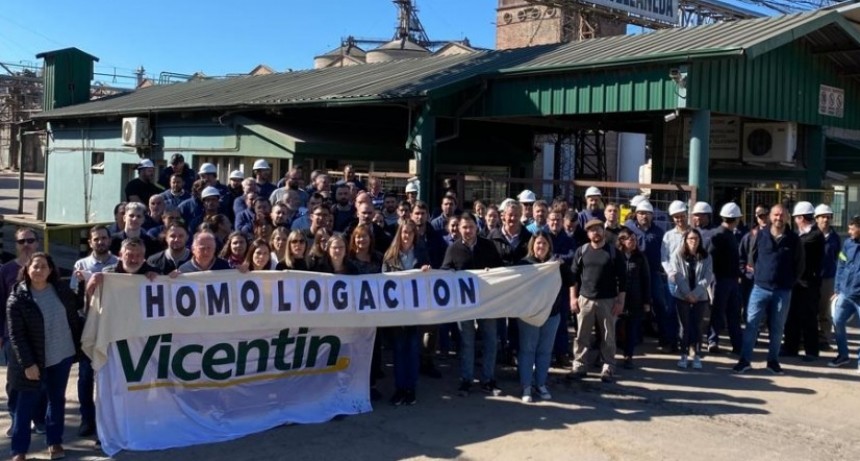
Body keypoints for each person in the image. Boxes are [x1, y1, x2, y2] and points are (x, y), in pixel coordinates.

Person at [6, 253, 83, 461]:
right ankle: (19, 451)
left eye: (43, 267)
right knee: (25, 405)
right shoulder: (17, 298)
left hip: (62, 355)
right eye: (35, 266)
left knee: (56, 400)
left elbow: (78, 305)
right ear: (27, 270)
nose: (39, 270)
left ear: (50, 270)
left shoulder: (61, 290)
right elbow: (16, 336)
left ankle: (54, 442)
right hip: (33, 361)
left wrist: (86, 284)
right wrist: (28, 364)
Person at [442, 212, 505, 396]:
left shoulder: (488, 245)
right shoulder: (453, 249)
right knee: (467, 342)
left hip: (487, 303)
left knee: (490, 340)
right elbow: (445, 272)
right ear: (458, 229)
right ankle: (466, 379)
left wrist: (490, 272)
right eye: (464, 227)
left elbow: (500, 270)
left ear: (477, 227)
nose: (468, 231)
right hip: (465, 305)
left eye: (471, 227)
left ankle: (488, 379)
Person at [734, 204, 802, 375]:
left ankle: (772, 361)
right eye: (776, 215)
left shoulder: (794, 239)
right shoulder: (759, 234)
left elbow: (800, 264)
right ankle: (744, 361)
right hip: (760, 288)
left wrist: (790, 282)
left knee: (778, 327)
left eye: (782, 215)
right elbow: (751, 257)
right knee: (751, 324)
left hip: (783, 291)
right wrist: (752, 275)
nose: (779, 218)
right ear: (770, 217)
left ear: (787, 217)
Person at [70, 225, 117, 439]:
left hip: (113, 327)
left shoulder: (119, 263)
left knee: (110, 376)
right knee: (86, 377)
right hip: (88, 326)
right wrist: (82, 285)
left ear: (109, 240)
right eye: (96, 239)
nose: (100, 242)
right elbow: (74, 296)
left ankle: (107, 420)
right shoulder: (81, 265)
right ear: (90, 242)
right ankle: (87, 419)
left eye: (104, 238)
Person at [517, 231, 573, 403]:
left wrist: (561, 265)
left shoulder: (556, 264)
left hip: (552, 314)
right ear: (532, 245)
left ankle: (540, 384)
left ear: (549, 246)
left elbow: (570, 281)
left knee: (545, 351)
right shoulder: (523, 264)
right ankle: (526, 385)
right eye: (538, 243)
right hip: (529, 315)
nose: (540, 246)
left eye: (544, 243)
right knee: (527, 350)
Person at [568, 219, 627, 383]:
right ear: (588, 233)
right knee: (581, 335)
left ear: (604, 231)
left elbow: (623, 279)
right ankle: (579, 365)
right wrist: (573, 298)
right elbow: (573, 277)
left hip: (608, 300)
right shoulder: (582, 251)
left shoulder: (614, 252)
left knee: (608, 336)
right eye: (592, 230)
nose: (596, 232)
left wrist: (620, 301)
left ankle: (608, 366)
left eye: (598, 229)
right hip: (584, 299)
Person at [1, 228, 45, 438]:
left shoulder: (45, 266)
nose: (26, 244)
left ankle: (39, 420)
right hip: (14, 335)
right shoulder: (6, 270)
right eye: (21, 241)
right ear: (15, 244)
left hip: (43, 335)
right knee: (15, 381)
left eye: (30, 240)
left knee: (42, 380)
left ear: (37, 243)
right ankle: (17, 419)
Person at [382, 220, 431, 405]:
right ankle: (399, 388)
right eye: (404, 232)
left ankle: (411, 388)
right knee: (399, 350)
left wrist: (426, 271)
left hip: (415, 311)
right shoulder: (390, 256)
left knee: (412, 349)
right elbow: (382, 284)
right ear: (399, 233)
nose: (407, 235)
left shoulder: (421, 253)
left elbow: (430, 281)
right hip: (397, 312)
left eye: (411, 232)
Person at [782, 201, 824, 361]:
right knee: (792, 316)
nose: (794, 221)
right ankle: (790, 348)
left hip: (809, 283)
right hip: (796, 282)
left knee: (808, 317)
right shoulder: (799, 234)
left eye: (796, 218)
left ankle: (811, 351)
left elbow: (799, 247)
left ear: (801, 218)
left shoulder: (814, 235)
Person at [628, 200, 672, 353]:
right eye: (640, 213)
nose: (644, 216)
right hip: (634, 274)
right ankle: (635, 337)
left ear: (652, 215)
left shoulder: (659, 231)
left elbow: (666, 252)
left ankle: (664, 338)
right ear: (636, 214)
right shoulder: (629, 228)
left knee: (660, 303)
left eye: (647, 213)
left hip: (654, 273)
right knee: (635, 306)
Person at [669, 228, 713, 370]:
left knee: (697, 326)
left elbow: (707, 277)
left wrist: (696, 293)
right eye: (690, 239)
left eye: (696, 239)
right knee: (684, 326)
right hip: (682, 296)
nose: (693, 241)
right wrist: (687, 294)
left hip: (700, 297)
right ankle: (683, 354)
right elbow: (677, 275)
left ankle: (696, 354)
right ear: (685, 240)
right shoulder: (677, 255)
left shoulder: (706, 256)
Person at [707, 202, 744, 355]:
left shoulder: (721, 234)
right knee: (727, 313)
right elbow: (711, 259)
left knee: (724, 312)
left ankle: (729, 343)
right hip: (722, 279)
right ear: (736, 219)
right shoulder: (721, 235)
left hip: (726, 279)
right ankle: (719, 342)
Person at [616, 227, 650, 370]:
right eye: (630, 239)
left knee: (632, 329)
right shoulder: (616, 256)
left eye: (635, 240)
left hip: (635, 298)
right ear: (622, 241)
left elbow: (646, 279)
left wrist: (647, 301)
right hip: (617, 298)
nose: (633, 242)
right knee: (614, 327)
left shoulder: (640, 257)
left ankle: (628, 356)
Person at [829, 215, 860, 370]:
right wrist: (837, 289)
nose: (849, 231)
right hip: (846, 294)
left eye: (852, 228)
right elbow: (841, 266)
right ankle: (843, 355)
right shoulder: (848, 244)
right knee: (838, 321)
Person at [814, 204, 840, 350]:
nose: (826, 219)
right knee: (811, 310)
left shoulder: (835, 238)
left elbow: (838, 257)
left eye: (828, 217)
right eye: (823, 217)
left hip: (828, 278)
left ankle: (823, 340)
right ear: (816, 218)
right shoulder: (810, 235)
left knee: (825, 311)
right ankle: (809, 338)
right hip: (812, 278)